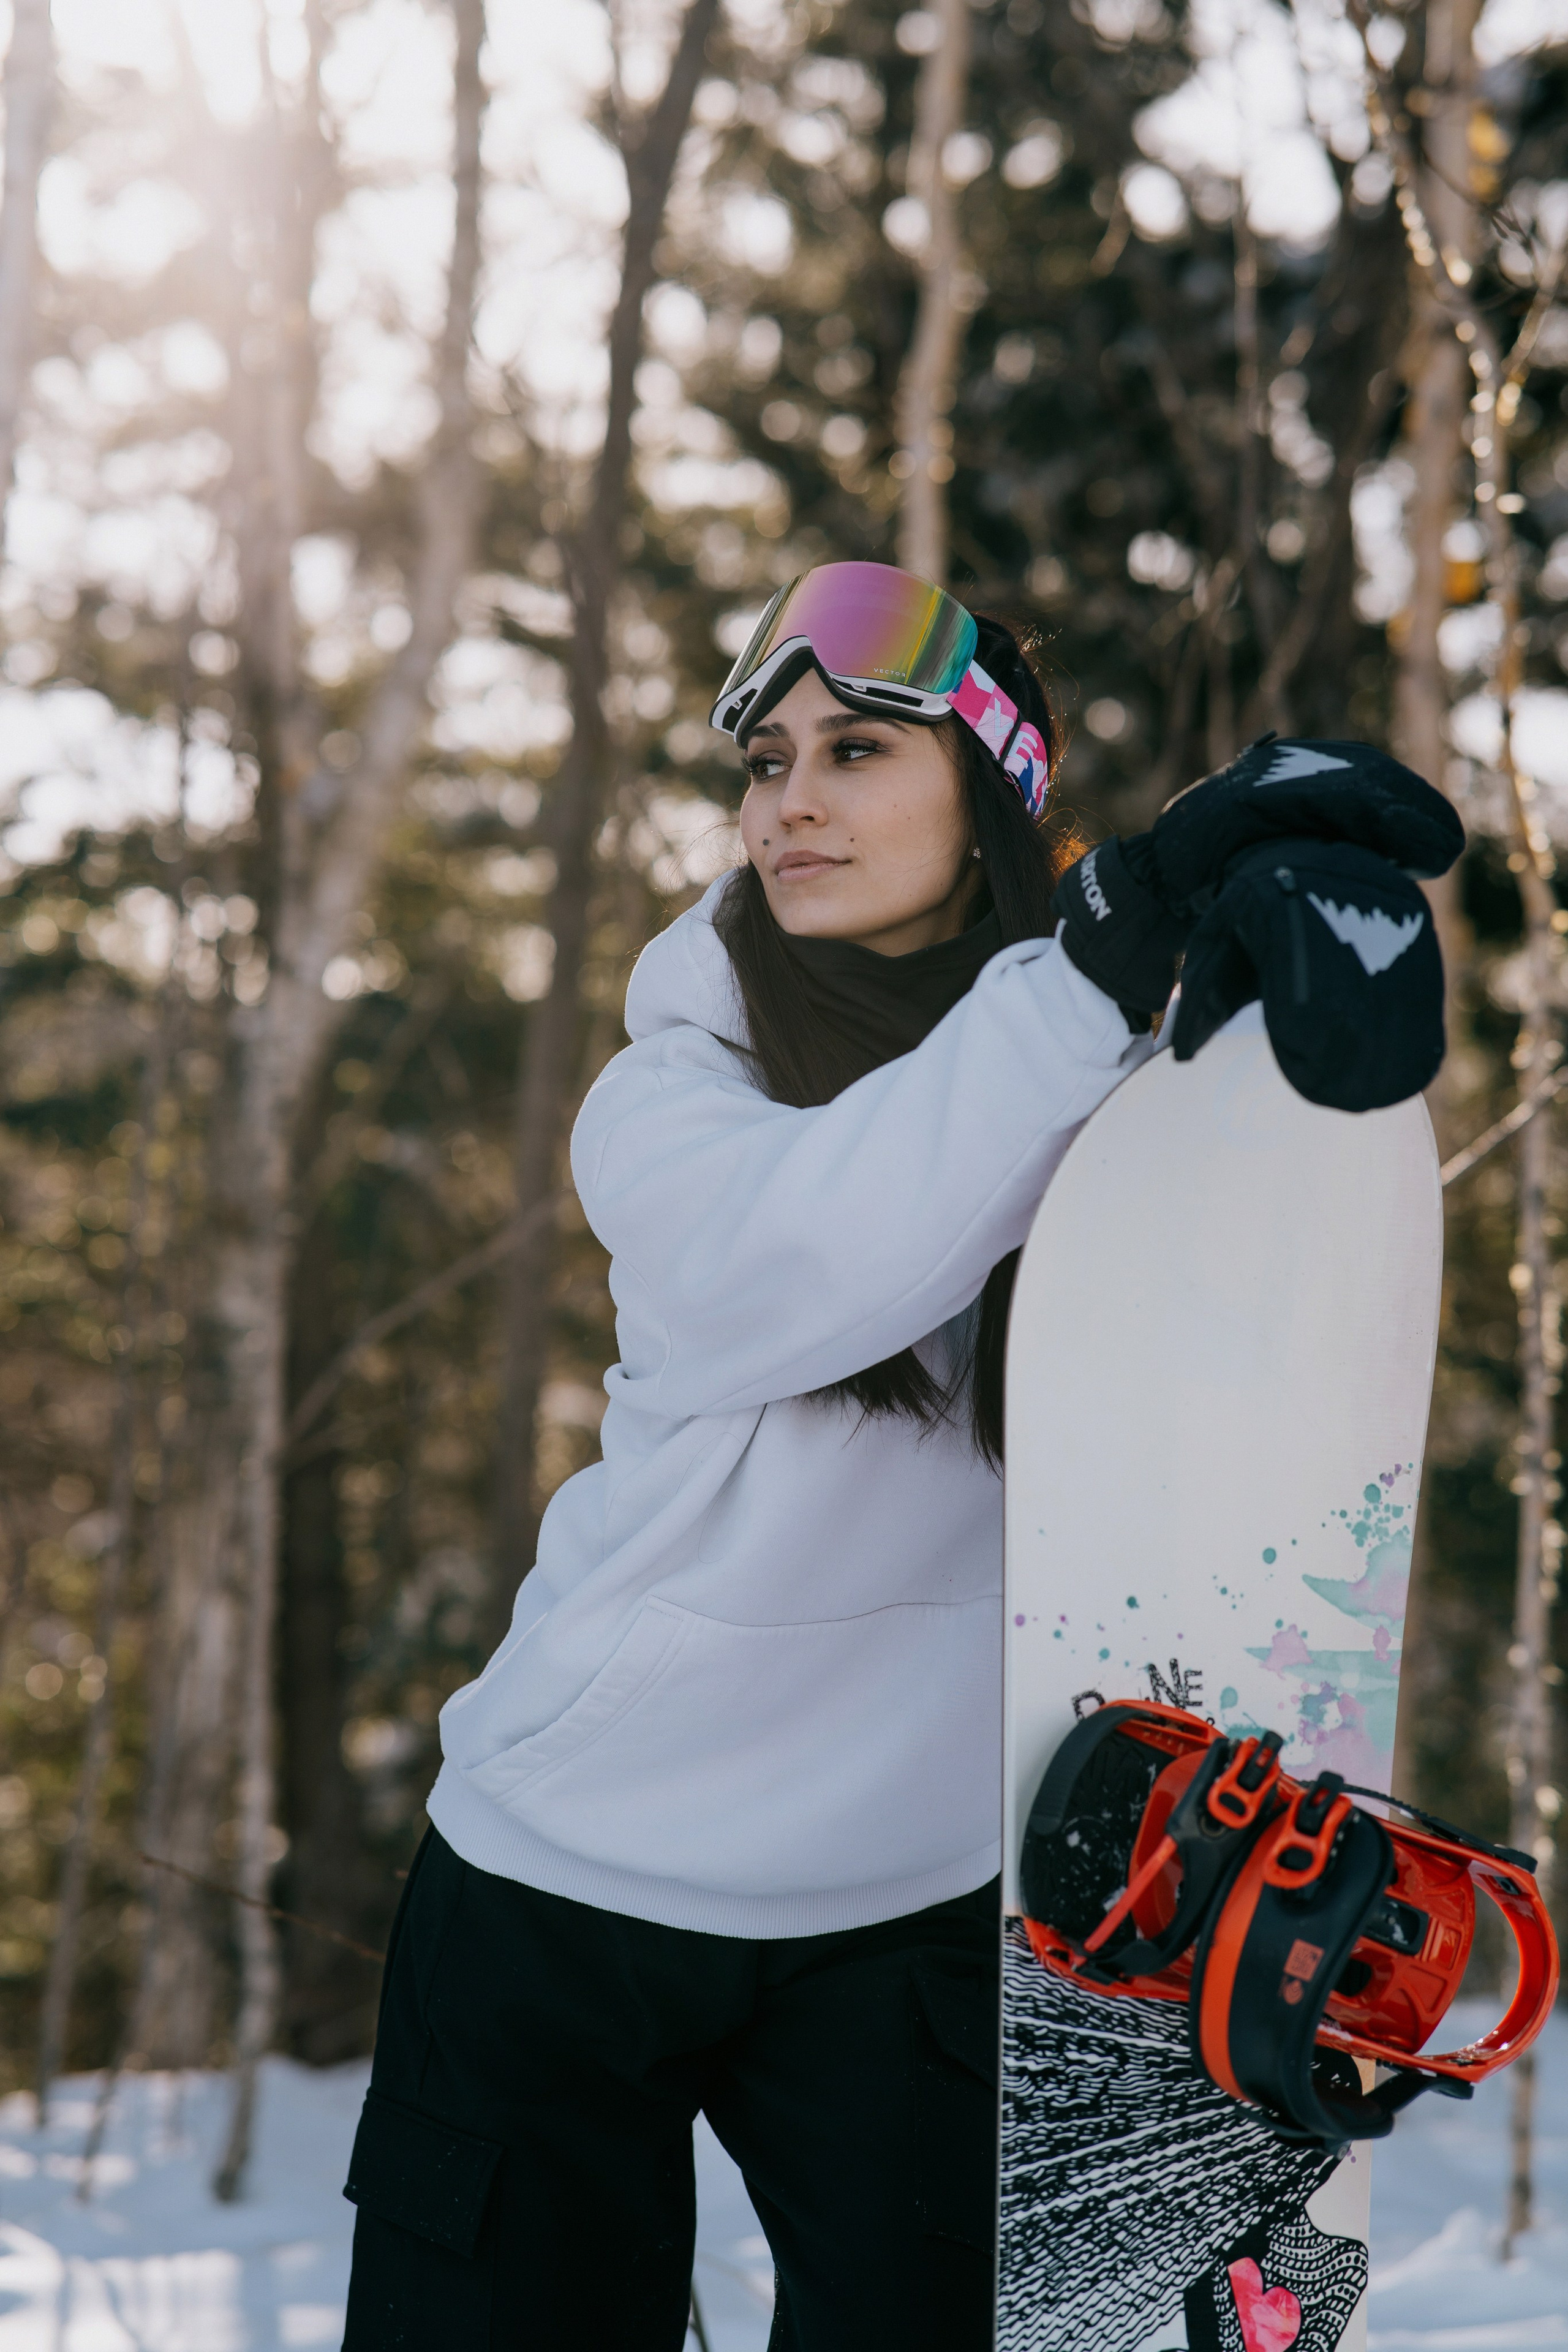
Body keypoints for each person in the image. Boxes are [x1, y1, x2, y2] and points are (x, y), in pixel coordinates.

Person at [341, 562, 1461, 2351]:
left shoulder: (1112, 1082)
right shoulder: (676, 1084)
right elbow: (809, 1256)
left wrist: (1273, 1071)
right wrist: (1116, 942)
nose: (791, 796)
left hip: (914, 1894)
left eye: (856, 749)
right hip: (570, 1881)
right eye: (765, 759)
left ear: (992, 794)